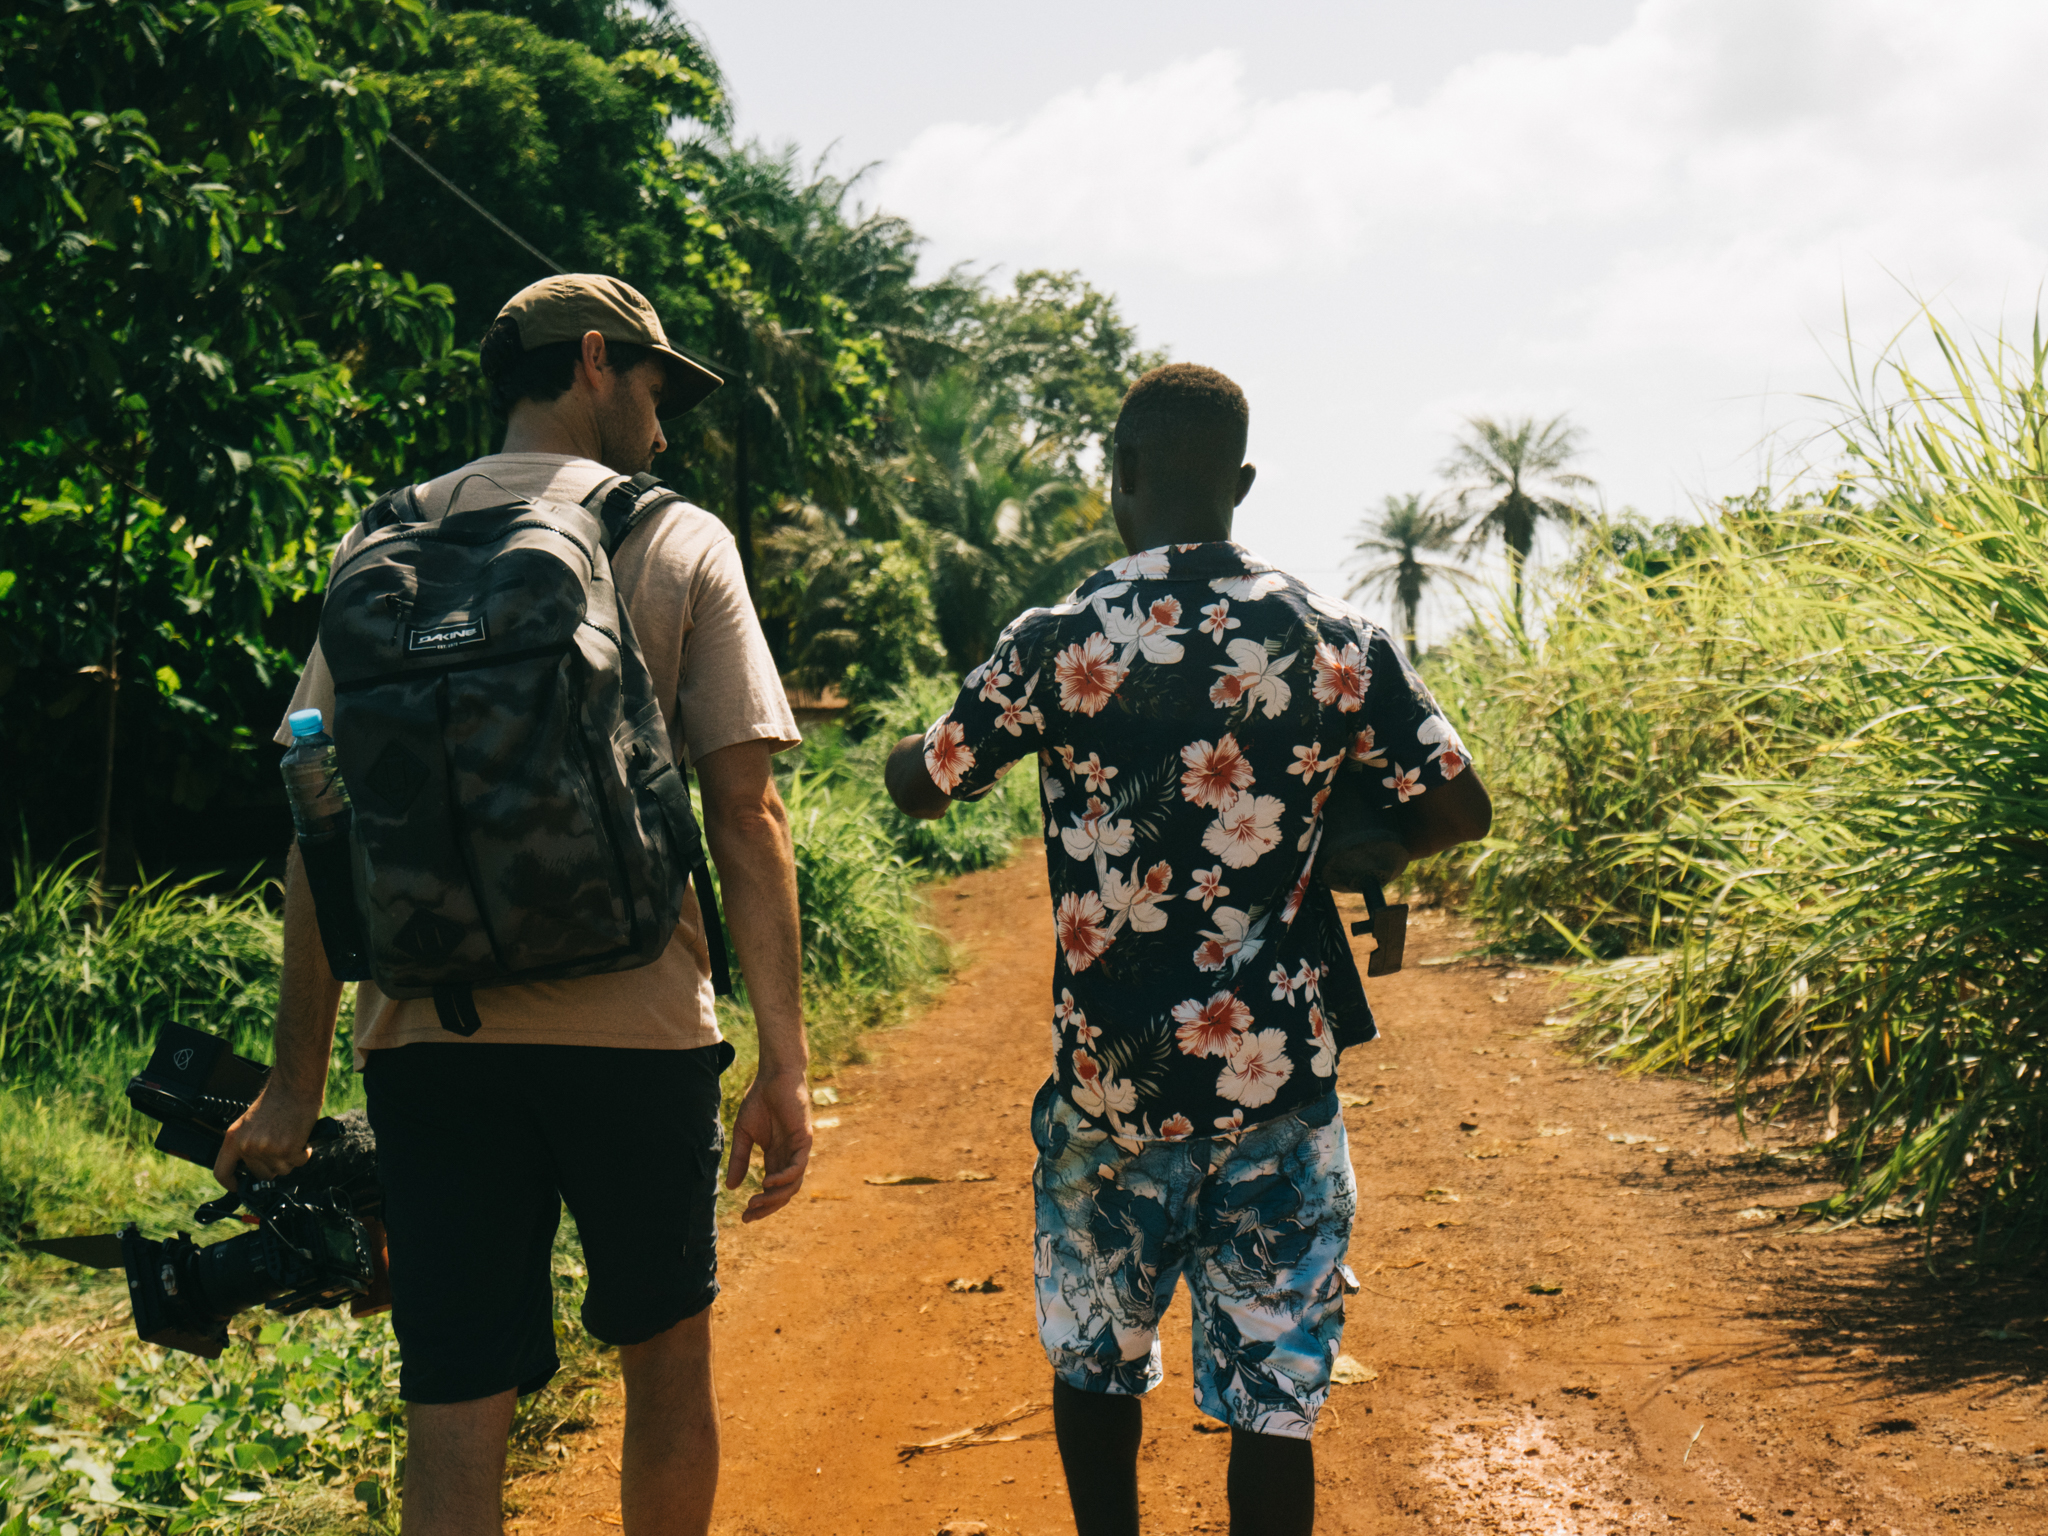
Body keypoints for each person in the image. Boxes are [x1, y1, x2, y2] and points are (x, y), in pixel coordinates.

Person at [216, 274, 814, 1536]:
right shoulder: (677, 536)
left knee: (454, 1394)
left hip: (429, 1041)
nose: (664, 421)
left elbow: (316, 821)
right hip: (636, 1030)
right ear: (594, 361)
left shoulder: (381, 547)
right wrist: (784, 1061)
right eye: (653, 385)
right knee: (662, 1362)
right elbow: (746, 816)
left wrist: (295, 1081)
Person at [885, 363, 1491, 1536]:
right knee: (1274, 1402)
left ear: (1117, 485)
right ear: (1243, 484)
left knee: (1094, 1361)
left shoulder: (1056, 639)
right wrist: (1364, 846)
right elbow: (1462, 808)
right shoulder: (1335, 641)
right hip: (1278, 1088)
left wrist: (902, 754)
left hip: (1109, 1085)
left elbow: (927, 784)